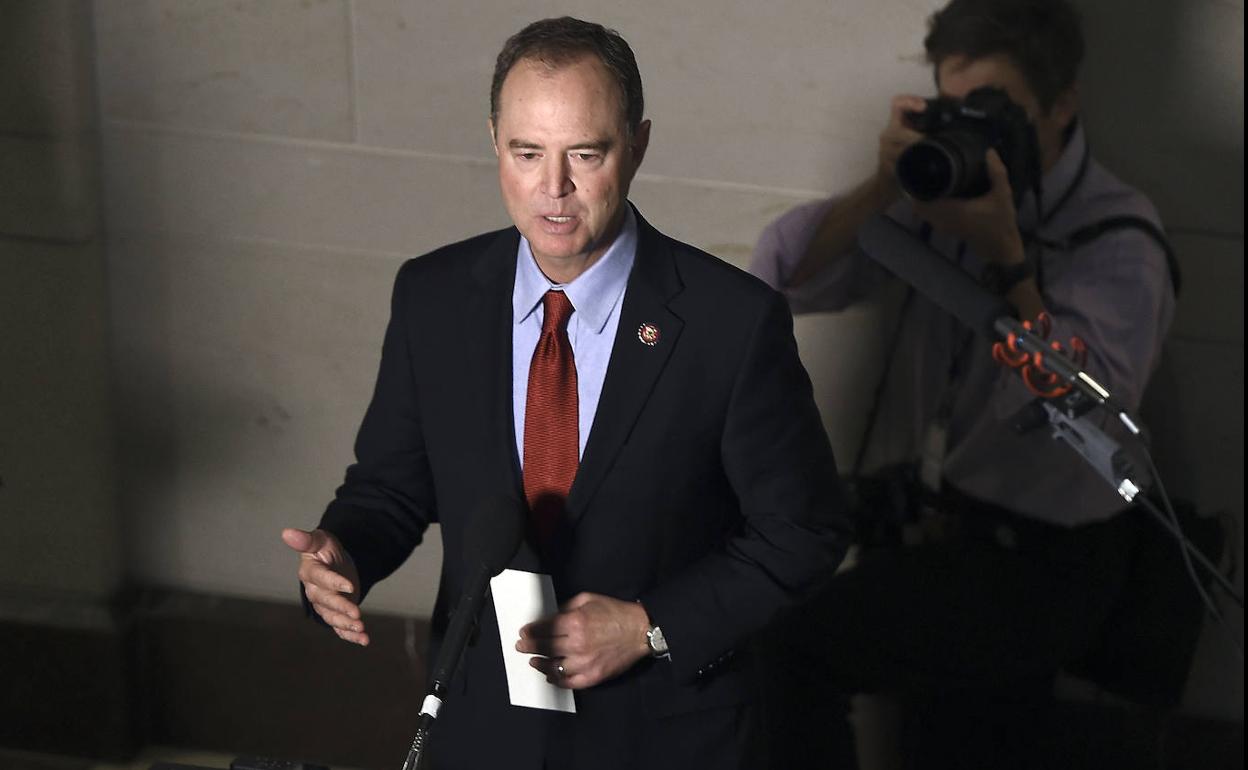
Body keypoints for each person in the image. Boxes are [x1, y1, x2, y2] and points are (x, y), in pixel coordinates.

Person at [280, 16, 848, 770]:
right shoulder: (433, 296)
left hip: (663, 736)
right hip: (482, 727)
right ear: (494, 141)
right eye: (527, 153)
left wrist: (647, 626)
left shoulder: (731, 323)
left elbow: (804, 532)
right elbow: (391, 486)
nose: (554, 188)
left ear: (637, 146)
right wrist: (345, 553)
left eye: (585, 153)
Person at [749, 0, 1176, 767]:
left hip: (1048, 560)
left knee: (792, 650)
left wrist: (1008, 259)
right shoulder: (942, 190)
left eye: (995, 111)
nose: (975, 132)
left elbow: (1089, 423)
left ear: (1062, 105)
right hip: (941, 526)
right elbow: (784, 276)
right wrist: (883, 186)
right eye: (957, 108)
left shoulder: (1118, 239)